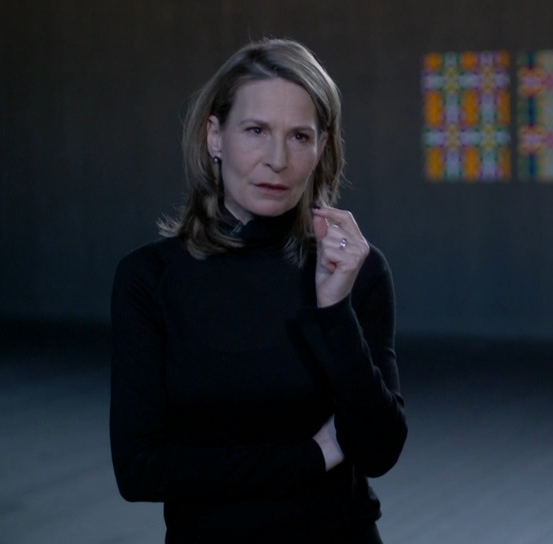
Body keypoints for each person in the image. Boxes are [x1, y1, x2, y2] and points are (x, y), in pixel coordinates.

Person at [109, 38, 407, 543]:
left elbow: (379, 451)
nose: (277, 159)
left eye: (299, 136)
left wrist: (334, 310)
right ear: (215, 136)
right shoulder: (149, 278)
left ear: (321, 149)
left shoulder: (357, 270)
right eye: (256, 131)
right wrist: (311, 457)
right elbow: (140, 471)